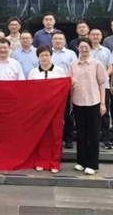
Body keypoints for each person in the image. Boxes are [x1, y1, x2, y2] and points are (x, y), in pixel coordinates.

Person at [69, 38, 108, 175]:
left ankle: (92, 164)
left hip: (94, 102)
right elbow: (69, 83)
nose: (84, 50)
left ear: (90, 48)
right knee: (81, 134)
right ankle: (81, 161)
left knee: (93, 133)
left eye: (86, 47)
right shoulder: (73, 64)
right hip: (78, 102)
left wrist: (103, 103)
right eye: (81, 47)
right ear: (77, 48)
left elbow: (102, 83)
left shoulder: (97, 64)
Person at [28, 45, 68, 174]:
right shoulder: (33, 73)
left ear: (51, 56)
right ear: (38, 57)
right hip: (39, 110)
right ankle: (41, 161)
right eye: (41, 55)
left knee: (56, 135)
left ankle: (54, 162)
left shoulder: (59, 71)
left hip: (56, 109)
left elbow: (64, 89)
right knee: (41, 135)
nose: (44, 58)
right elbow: (30, 91)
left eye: (47, 55)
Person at [89, 28, 113, 150]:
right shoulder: (85, 50)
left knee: (104, 111)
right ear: (89, 36)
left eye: (98, 34)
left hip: (104, 85)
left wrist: (102, 76)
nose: (95, 36)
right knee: (91, 112)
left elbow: (111, 67)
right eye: (93, 34)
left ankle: (106, 138)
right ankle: (92, 137)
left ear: (101, 37)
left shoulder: (106, 51)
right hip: (89, 86)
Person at [51, 31, 77, 149]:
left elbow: (75, 70)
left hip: (66, 88)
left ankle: (68, 138)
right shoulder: (48, 53)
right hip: (51, 89)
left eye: (60, 39)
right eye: (55, 39)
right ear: (52, 41)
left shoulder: (71, 54)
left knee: (67, 114)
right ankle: (54, 138)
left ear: (65, 40)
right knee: (52, 115)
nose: (58, 41)